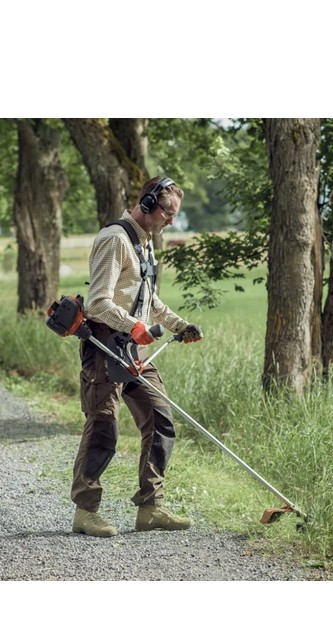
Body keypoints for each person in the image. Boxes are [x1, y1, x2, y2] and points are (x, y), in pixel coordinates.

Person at [71, 176, 203, 537]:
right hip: (104, 345)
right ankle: (85, 511)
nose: (171, 221)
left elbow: (149, 299)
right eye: (167, 213)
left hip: (135, 348)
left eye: (174, 215)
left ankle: (151, 508)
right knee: (104, 426)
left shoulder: (145, 243)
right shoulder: (115, 239)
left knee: (160, 419)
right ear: (146, 204)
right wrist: (134, 326)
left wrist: (178, 324)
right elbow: (98, 302)